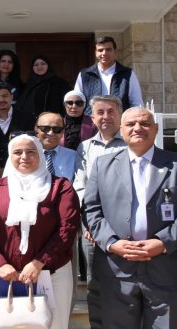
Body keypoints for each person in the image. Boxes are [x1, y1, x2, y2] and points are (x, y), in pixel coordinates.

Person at [83, 107, 177, 329]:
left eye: (145, 123)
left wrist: (163, 242)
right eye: (131, 124)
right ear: (121, 129)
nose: (138, 128)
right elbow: (91, 209)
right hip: (117, 269)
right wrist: (111, 242)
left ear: (156, 129)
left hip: (166, 268)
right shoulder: (102, 165)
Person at [0, 134, 80, 329]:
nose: (24, 157)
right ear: (10, 156)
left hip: (52, 274)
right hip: (7, 275)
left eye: (31, 152)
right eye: (17, 152)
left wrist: (39, 262)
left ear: (40, 154)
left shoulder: (61, 187)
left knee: (55, 325)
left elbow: (67, 228)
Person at [71, 95, 127, 324]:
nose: (106, 117)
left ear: (120, 115)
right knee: (95, 282)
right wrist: (93, 222)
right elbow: (80, 186)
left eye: (111, 112)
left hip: (126, 225)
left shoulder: (131, 144)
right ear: (92, 118)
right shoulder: (84, 148)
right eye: (100, 112)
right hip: (93, 227)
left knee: (126, 283)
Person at [74, 36, 143, 114]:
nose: (104, 53)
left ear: (115, 52)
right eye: (100, 50)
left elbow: (137, 103)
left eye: (108, 49)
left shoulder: (128, 74)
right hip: (91, 120)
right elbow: (77, 101)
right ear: (96, 53)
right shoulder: (84, 75)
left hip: (119, 120)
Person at [16, 55, 71, 119]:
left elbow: (67, 103)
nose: (39, 67)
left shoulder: (60, 83)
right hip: (29, 121)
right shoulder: (28, 85)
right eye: (36, 65)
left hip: (51, 121)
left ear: (48, 66)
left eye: (43, 64)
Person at [35, 112, 77, 182]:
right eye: (45, 128)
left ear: (63, 132)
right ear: (36, 129)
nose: (51, 133)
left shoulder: (74, 157)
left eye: (57, 129)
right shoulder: (24, 155)